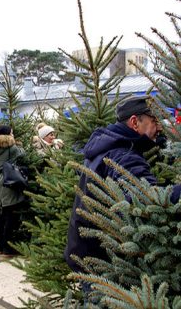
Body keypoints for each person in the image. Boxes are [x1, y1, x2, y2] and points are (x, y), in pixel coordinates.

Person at [64, 95, 181, 294]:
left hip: (86, 251)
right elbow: (147, 199)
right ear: (135, 122)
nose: (159, 127)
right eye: (154, 121)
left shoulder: (108, 143)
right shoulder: (121, 155)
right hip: (103, 262)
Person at [0, 125, 25, 256]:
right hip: (9, 181)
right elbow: (22, 155)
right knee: (10, 217)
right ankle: (7, 247)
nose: (13, 135)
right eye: (11, 133)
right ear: (7, 134)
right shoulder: (12, 147)